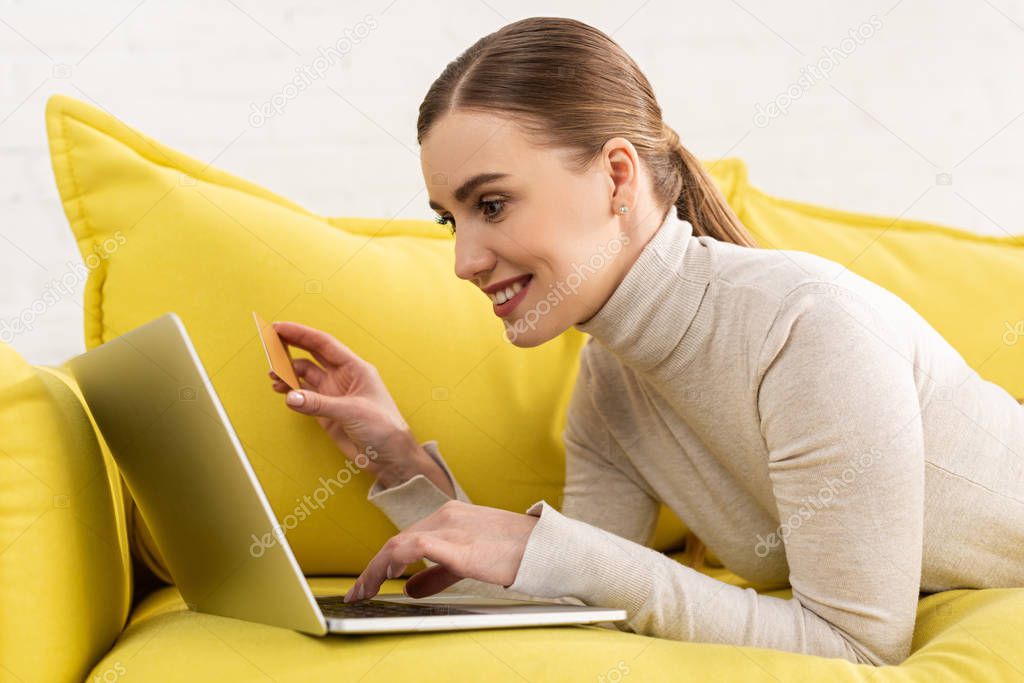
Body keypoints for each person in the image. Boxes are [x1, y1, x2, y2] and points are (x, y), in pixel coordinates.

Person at [266, 16, 1024, 667]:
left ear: (616, 178)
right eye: (449, 219)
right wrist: (394, 456)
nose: (464, 260)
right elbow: (570, 599)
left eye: (491, 203)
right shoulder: (610, 383)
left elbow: (857, 648)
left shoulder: (807, 328)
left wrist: (561, 551)